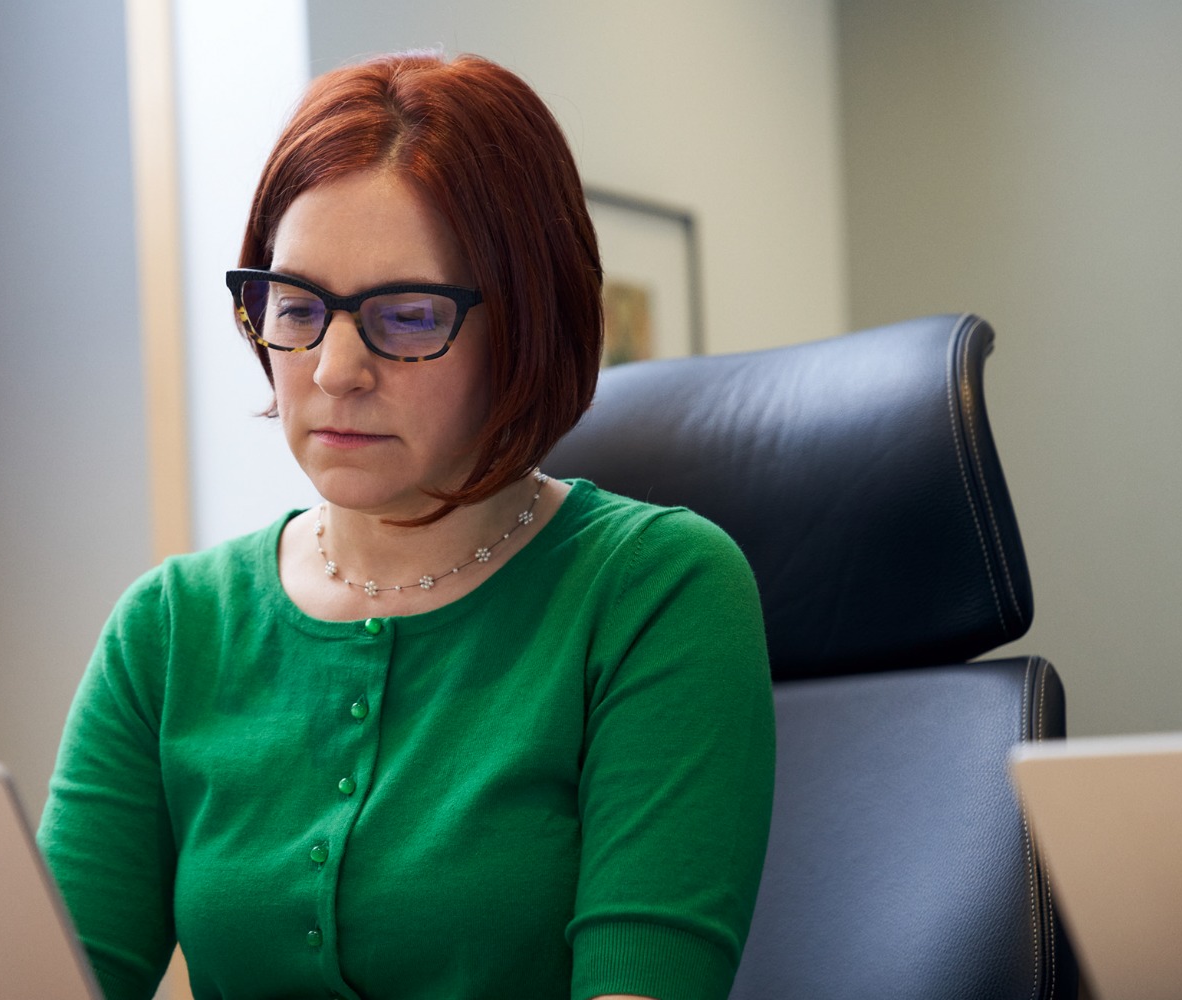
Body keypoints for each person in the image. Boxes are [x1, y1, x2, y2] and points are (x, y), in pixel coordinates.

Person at [39, 52, 773, 1000]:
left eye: (409, 314)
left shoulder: (657, 590)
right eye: (297, 308)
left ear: (527, 323)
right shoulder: (170, 628)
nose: (335, 367)